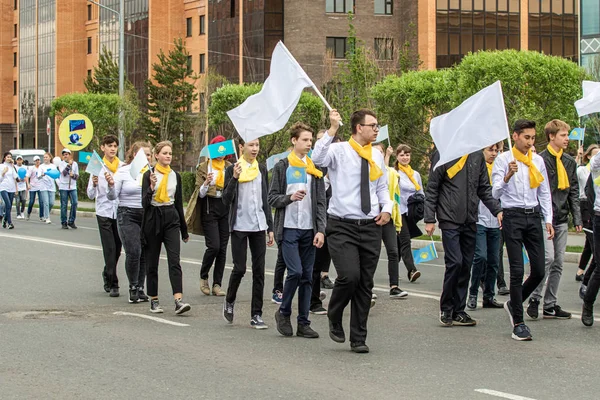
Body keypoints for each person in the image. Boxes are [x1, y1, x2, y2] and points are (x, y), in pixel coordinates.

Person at [312, 109, 392, 354]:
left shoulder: (376, 156)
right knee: (349, 276)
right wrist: (332, 129)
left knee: (365, 284)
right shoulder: (338, 151)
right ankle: (334, 314)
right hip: (342, 225)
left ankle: (358, 337)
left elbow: (381, 187)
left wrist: (387, 208)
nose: (377, 129)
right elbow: (316, 159)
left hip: (370, 226)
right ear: (359, 127)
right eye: (373, 125)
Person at [425, 144, 502, 328]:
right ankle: (446, 308)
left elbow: (483, 188)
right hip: (449, 217)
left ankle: (459, 310)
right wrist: (429, 218)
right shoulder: (444, 153)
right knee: (455, 262)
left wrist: (497, 210)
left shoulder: (476, 155)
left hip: (470, 218)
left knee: (466, 264)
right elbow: (433, 187)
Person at [492, 119, 553, 341]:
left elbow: (544, 190)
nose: (530, 141)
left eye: (533, 137)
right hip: (513, 217)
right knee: (517, 270)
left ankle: (514, 303)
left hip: (533, 216)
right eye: (526, 137)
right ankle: (518, 322)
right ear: (515, 136)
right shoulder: (503, 160)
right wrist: (507, 176)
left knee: (539, 269)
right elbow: (495, 193)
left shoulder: (537, 160)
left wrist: (548, 219)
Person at [269, 122, 326, 338]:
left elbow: (320, 203)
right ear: (294, 141)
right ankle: (283, 312)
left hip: (309, 230)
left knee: (307, 277)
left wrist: (320, 230)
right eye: (305, 140)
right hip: (289, 228)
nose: (308, 144)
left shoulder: (314, 169)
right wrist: (290, 198)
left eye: (311, 140)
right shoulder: (282, 166)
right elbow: (272, 198)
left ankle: (304, 322)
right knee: (295, 271)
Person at [527, 120, 581, 320]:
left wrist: (577, 217)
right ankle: (534, 298)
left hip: (561, 217)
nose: (567, 139)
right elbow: (537, 189)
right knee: (547, 259)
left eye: (567, 135)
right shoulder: (540, 159)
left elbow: (573, 191)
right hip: (544, 217)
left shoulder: (569, 162)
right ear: (551, 136)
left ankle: (550, 304)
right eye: (563, 135)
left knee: (558, 262)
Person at [222, 138, 274, 329]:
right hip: (239, 226)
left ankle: (256, 314)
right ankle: (229, 300)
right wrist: (235, 178)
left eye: (257, 145)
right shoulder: (232, 169)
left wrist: (270, 227)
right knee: (240, 268)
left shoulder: (260, 169)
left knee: (259, 271)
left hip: (259, 225)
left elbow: (265, 199)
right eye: (251, 145)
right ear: (241, 147)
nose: (255, 149)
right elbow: (225, 200)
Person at [141, 141, 191, 315]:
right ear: (156, 155)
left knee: (174, 260)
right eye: (164, 153)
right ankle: (154, 299)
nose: (168, 156)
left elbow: (178, 203)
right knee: (152, 262)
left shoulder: (175, 176)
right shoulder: (148, 175)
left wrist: (184, 230)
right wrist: (151, 188)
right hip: (153, 218)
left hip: (171, 217)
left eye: (170, 153)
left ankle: (178, 300)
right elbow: (144, 203)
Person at [107, 141, 152, 304]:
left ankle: (140, 287)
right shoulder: (124, 171)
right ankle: (133, 287)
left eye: (149, 154)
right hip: (127, 214)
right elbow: (112, 196)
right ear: (133, 155)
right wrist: (111, 186)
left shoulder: (152, 172)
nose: (147, 157)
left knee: (144, 252)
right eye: (143, 154)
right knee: (134, 250)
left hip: (146, 214)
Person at [187, 135, 231, 297]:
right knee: (214, 246)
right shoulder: (204, 167)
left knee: (223, 249)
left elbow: (234, 188)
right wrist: (206, 183)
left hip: (225, 208)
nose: (220, 153)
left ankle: (217, 284)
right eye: (217, 149)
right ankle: (203, 276)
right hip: (209, 208)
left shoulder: (230, 167)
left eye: (223, 149)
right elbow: (200, 192)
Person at [467, 143, 504, 310]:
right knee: (480, 257)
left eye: (497, 150)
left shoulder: (501, 169)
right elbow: (486, 193)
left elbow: (500, 193)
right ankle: (473, 293)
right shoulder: (477, 168)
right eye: (491, 150)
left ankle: (489, 295)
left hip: (496, 221)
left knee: (494, 260)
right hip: (479, 219)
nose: (494, 154)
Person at [88, 135, 123, 298]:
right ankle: (114, 283)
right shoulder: (97, 166)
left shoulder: (122, 167)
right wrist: (94, 184)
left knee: (117, 248)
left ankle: (107, 272)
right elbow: (89, 194)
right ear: (103, 148)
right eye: (109, 145)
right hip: (103, 212)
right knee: (109, 248)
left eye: (115, 146)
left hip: (119, 211)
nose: (112, 148)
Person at [374, 142, 408, 298]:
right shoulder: (365, 171)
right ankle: (367, 289)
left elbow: (395, 196)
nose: (379, 154)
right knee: (371, 255)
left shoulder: (392, 174)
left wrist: (396, 218)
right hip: (372, 218)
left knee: (393, 252)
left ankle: (394, 286)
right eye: (376, 151)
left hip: (388, 217)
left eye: (381, 152)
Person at [394, 144, 425, 283]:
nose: (405, 157)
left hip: (411, 212)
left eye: (407, 155)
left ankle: (393, 270)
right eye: (402, 155)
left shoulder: (415, 174)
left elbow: (421, 192)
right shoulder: (394, 173)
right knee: (406, 240)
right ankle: (411, 270)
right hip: (399, 211)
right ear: (397, 157)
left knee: (398, 244)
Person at [576, 144, 599, 285]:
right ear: (589, 156)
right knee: (593, 246)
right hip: (586, 206)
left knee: (590, 246)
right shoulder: (583, 171)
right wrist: (577, 157)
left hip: (595, 208)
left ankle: (581, 271)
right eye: (594, 154)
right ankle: (586, 282)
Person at [58, 148, 79, 229]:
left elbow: (77, 176)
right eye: (64, 155)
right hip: (63, 186)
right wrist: (68, 165)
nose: (65, 156)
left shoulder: (75, 164)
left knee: (75, 203)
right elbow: (63, 173)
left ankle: (71, 221)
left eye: (67, 154)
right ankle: (64, 222)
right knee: (64, 205)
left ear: (70, 155)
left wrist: (73, 175)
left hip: (72, 186)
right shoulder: (61, 164)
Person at [39, 153, 57, 224]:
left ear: (50, 158)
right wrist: (42, 174)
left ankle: (46, 213)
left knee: (51, 203)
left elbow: (56, 175)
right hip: (43, 186)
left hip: (51, 186)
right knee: (46, 202)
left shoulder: (53, 166)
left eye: (46, 157)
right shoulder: (41, 166)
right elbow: (38, 176)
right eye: (44, 157)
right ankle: (47, 217)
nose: (45, 158)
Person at [0, 152, 17, 229]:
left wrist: (13, 166)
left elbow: (15, 177)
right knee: (8, 204)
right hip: (3, 187)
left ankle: (5, 220)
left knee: (9, 207)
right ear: (4, 158)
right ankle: (10, 223)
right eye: (7, 157)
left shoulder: (12, 167)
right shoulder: (1, 166)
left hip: (11, 188)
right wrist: (3, 173)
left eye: (10, 157)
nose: (9, 158)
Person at [26, 155, 43, 221]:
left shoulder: (41, 168)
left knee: (41, 201)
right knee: (31, 201)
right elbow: (27, 177)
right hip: (33, 186)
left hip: (40, 186)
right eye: (36, 160)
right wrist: (28, 184)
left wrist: (42, 175)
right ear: (34, 161)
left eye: (38, 160)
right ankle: (28, 213)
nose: (37, 162)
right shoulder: (31, 168)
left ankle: (41, 216)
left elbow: (40, 177)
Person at [14, 156, 27, 220]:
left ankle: (22, 211)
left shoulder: (25, 167)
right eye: (18, 160)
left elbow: (27, 176)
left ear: (22, 160)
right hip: (16, 186)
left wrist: (26, 180)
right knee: (18, 200)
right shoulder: (14, 167)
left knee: (24, 200)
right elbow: (14, 177)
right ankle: (18, 213)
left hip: (23, 186)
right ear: (16, 161)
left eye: (20, 160)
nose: (19, 161)